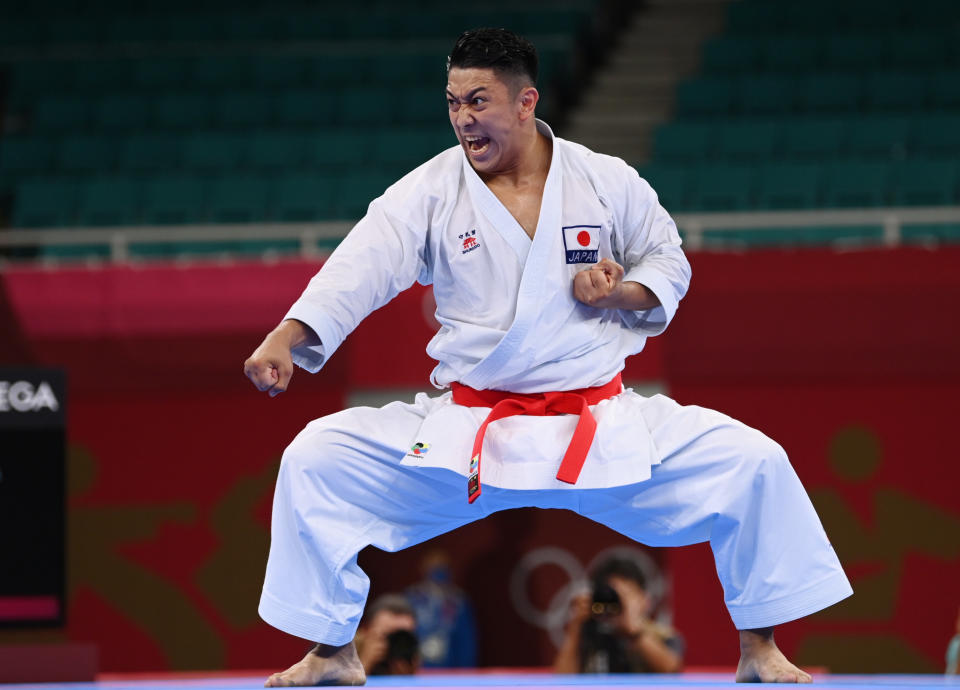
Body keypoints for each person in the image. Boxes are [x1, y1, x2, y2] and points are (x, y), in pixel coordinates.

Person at [244, 28, 852, 686]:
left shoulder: (603, 180)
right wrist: (290, 334)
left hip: (597, 425)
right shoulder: (428, 192)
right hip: (471, 429)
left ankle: (759, 649)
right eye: (452, 103)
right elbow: (355, 271)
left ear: (526, 101)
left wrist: (620, 292)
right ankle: (333, 651)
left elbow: (667, 258)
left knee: (754, 463)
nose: (462, 119)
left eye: (477, 101)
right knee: (316, 457)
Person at [553, 557, 683, 673]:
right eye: (614, 595)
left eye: (627, 595)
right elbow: (562, 681)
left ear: (644, 600)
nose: (621, 603)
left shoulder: (661, 635)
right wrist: (575, 627)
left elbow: (672, 670)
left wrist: (634, 632)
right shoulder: (588, 633)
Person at [404, 550, 478, 668]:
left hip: (450, 669)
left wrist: (466, 671)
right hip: (417, 669)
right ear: (423, 568)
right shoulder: (411, 598)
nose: (438, 571)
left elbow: (467, 642)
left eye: (442, 566)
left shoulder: (458, 600)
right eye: (433, 566)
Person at [353, 594, 420, 676]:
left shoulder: (409, 653)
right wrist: (365, 662)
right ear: (366, 631)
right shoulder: (346, 648)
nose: (396, 643)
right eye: (386, 636)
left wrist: (407, 675)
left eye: (402, 636)